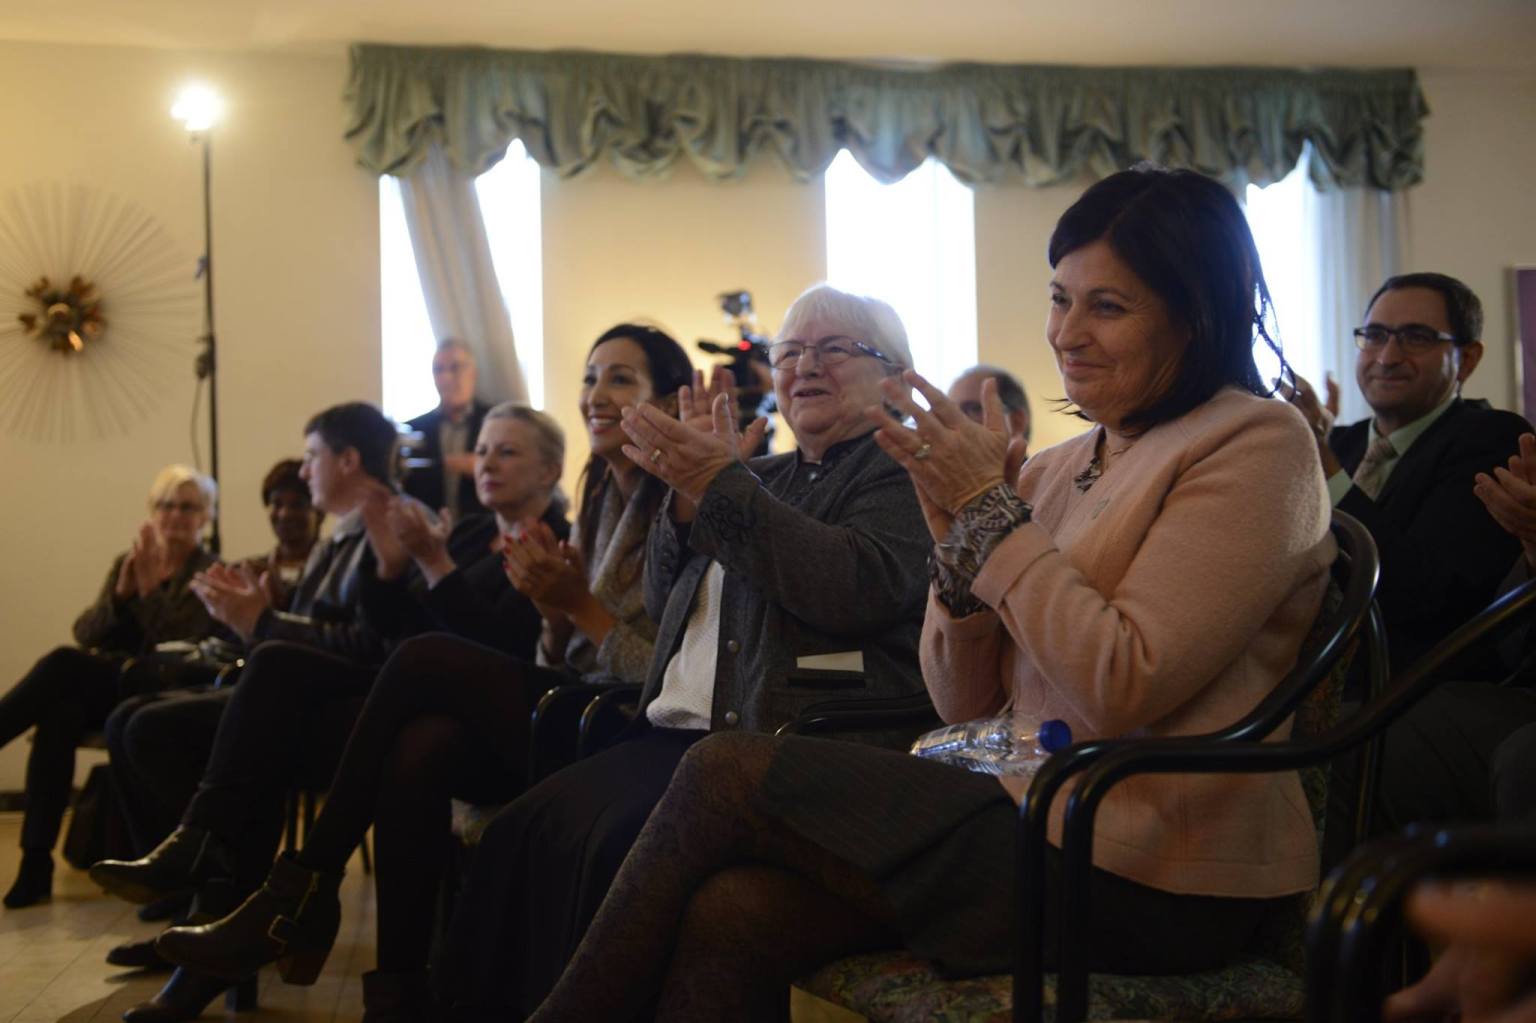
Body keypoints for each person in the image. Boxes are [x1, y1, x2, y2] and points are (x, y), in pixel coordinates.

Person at [525, 165, 1335, 1021]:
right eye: (1061, 299)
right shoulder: (1066, 462)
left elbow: (1123, 681)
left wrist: (989, 515)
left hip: (1149, 868)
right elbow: (964, 700)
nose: (1067, 333)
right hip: (1021, 810)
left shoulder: (1256, 445)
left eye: (1109, 307)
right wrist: (956, 550)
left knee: (723, 769)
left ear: (1195, 314)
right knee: (737, 910)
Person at [124, 328, 693, 1022]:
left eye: (621, 379)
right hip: (535, 703)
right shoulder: (597, 494)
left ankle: (290, 892)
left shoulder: (669, 506)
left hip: (615, 730)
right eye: (590, 376)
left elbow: (667, 671)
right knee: (413, 745)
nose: (597, 394)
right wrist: (544, 608)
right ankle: (393, 990)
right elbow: (533, 645)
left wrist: (563, 605)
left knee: (389, 665)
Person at [441, 283, 933, 1020]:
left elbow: (849, 585)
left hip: (793, 744)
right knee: (523, 831)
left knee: (611, 852)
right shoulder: (768, 474)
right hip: (678, 733)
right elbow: (667, 588)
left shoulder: (902, 471)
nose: (804, 366)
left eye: (833, 349)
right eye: (789, 352)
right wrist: (687, 493)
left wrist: (718, 482)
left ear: (894, 377)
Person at [91, 402, 400, 1023]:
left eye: (313, 455)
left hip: (348, 718)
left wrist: (263, 621)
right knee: (134, 720)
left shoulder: (384, 526)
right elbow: (308, 636)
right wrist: (255, 619)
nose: (305, 470)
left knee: (192, 744)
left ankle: (205, 897)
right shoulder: (340, 531)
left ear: (347, 460)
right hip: (295, 699)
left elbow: (377, 649)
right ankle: (208, 897)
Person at [1287, 272, 1530, 676]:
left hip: (1412, 691)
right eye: (1376, 335)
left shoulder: (1492, 439)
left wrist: (1319, 461)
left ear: (1466, 359)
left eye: (1415, 337)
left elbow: (1425, 598)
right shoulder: (1341, 443)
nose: (1386, 357)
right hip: (1297, 674)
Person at [0, 465, 219, 909]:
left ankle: (38, 864)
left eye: (188, 507)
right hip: (114, 688)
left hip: (164, 696)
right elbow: (87, 632)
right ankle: (35, 863)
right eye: (166, 505)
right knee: (58, 713)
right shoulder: (129, 561)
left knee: (62, 663)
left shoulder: (213, 573)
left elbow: (178, 653)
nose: (175, 515)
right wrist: (121, 596)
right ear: (151, 512)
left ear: (206, 517)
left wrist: (152, 592)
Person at [404, 338, 490, 521]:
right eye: (438, 370)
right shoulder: (412, 430)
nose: (445, 377)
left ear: (473, 373)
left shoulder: (496, 424)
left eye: (455, 368)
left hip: (483, 537)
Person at [236, 458, 325, 611]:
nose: (284, 514)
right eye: (277, 504)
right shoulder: (251, 572)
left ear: (320, 512)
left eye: (297, 505)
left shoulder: (334, 571)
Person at [949, 364, 1031, 455]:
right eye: (950, 412)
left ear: (1016, 422)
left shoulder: (1043, 468)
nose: (953, 422)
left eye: (973, 409)